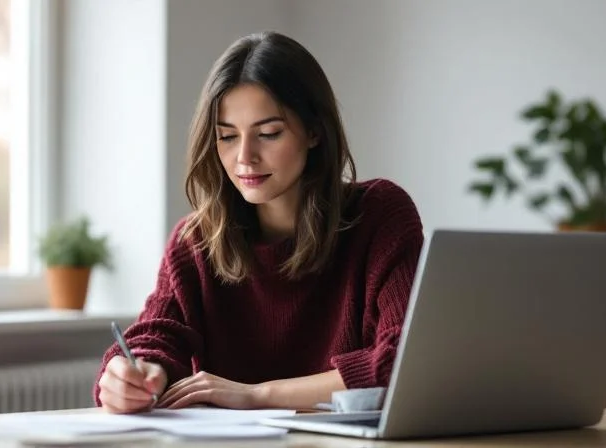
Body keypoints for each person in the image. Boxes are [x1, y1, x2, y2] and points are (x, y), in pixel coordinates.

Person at [94, 31, 424, 414]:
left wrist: (256, 395)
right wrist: (132, 375)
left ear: (314, 130)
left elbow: (405, 364)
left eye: (268, 133)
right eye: (227, 137)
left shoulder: (381, 215)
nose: (244, 157)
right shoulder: (196, 240)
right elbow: (156, 338)